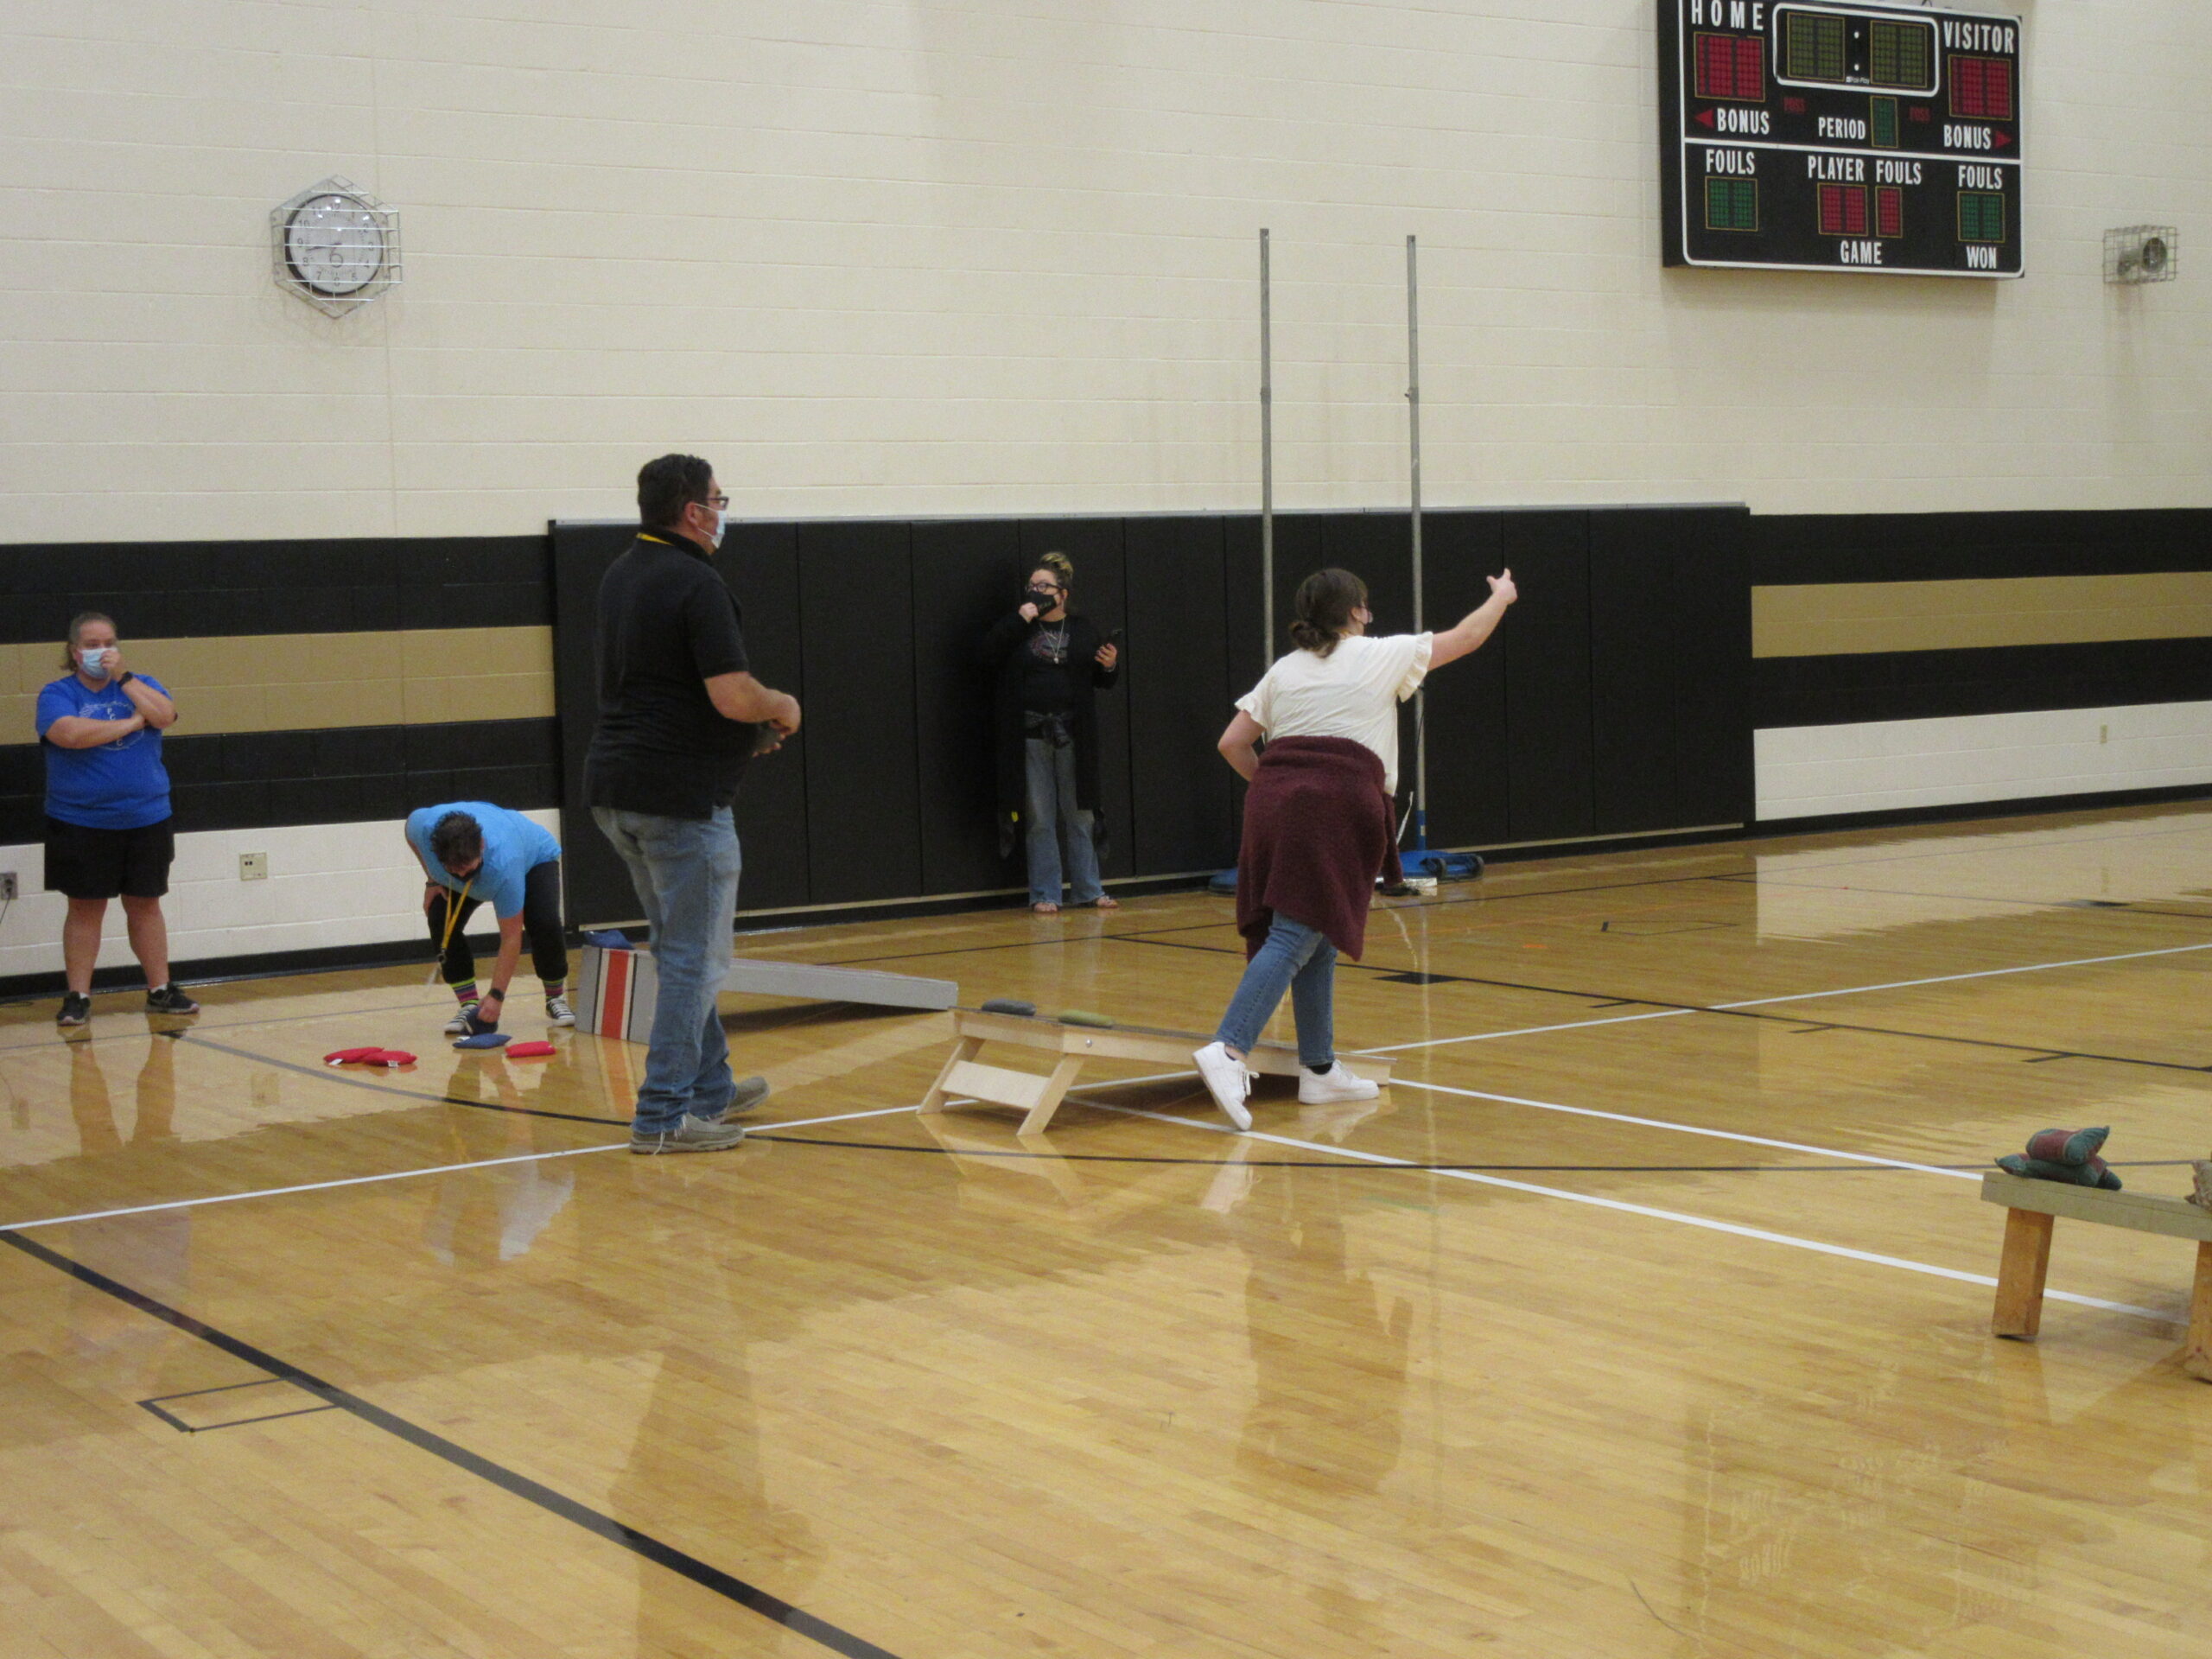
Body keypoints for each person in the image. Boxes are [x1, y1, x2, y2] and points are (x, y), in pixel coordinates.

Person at [1193, 565, 1516, 1128]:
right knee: (1297, 931)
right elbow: (1466, 638)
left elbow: (1232, 742)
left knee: (1317, 934)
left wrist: (1281, 786)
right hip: (1335, 805)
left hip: (1271, 804)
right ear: (1356, 612)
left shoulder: (1283, 670)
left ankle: (1318, 1070)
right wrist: (1502, 599)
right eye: (1366, 606)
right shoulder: (1378, 653)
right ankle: (1228, 1048)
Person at [584, 454, 801, 1154]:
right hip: (679, 800)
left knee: (680, 949)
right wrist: (781, 707)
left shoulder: (623, 573)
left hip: (618, 791)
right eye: (718, 499)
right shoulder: (698, 583)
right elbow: (732, 694)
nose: (723, 509)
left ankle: (708, 1089)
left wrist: (739, 740)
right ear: (693, 513)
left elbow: (661, 690)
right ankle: (665, 1114)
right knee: (693, 961)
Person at [36, 612, 197, 1027]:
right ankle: (78, 996)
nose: (101, 651)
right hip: (81, 820)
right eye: (91, 644)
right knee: (85, 908)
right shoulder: (57, 693)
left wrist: (126, 680)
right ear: (74, 652)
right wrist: (130, 723)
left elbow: (164, 716)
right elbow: (70, 735)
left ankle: (160, 990)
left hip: (146, 816)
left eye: (108, 642)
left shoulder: (142, 685)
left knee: (146, 904)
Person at [978, 551, 1122, 915]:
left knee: (1080, 813)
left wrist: (1110, 666)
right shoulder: (1018, 627)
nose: (1036, 591)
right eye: (1032, 586)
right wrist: (1019, 619)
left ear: (1063, 594)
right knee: (1040, 815)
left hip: (1074, 734)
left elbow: (1102, 681)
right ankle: (1046, 892)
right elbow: (987, 655)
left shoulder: (1082, 629)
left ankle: (1088, 889)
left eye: (1044, 586)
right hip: (1030, 735)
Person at [404, 802, 573, 1035]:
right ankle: (468, 1004)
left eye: (466, 867)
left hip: (534, 859)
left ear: (481, 845)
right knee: (439, 918)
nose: (462, 876)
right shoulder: (424, 828)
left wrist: (496, 996)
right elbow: (410, 828)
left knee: (544, 923)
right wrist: (433, 879)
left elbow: (511, 937)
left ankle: (555, 998)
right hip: (485, 858)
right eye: (453, 870)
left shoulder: (504, 864)